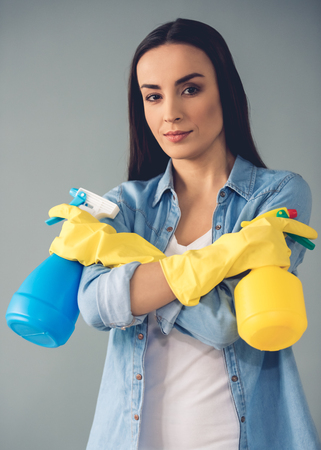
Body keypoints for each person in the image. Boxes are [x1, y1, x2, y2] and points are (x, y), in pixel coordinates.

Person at [59, 18, 320, 449]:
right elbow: (94, 306)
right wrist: (224, 259)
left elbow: (230, 323)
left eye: (190, 89)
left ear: (226, 92)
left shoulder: (279, 195)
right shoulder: (124, 203)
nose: (170, 113)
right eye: (153, 96)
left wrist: (128, 258)